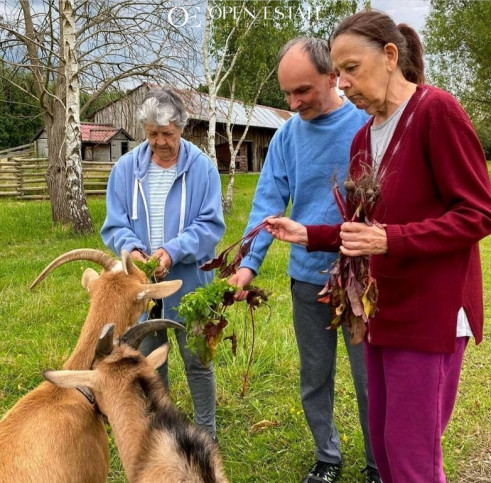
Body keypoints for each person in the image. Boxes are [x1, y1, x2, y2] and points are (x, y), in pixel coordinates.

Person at [265, 10, 491, 483]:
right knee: (387, 454)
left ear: (390, 56)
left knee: (412, 461)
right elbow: (363, 227)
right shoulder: (364, 136)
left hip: (430, 314)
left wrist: (393, 239)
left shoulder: (436, 112)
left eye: (351, 68)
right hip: (380, 311)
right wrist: (311, 234)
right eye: (339, 72)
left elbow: (477, 212)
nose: (343, 83)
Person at [228, 37, 380, 483]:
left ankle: (378, 464)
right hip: (307, 280)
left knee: (370, 381)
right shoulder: (287, 136)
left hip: (361, 280)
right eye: (287, 93)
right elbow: (267, 205)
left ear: (333, 76)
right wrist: (246, 264)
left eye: (304, 91)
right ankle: (327, 457)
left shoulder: (366, 124)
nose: (294, 103)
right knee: (315, 375)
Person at [101, 87, 225, 439]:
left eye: (167, 134)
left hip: (191, 285)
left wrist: (172, 251)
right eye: (152, 134)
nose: (160, 142)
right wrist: (135, 252)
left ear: (181, 129)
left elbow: (210, 225)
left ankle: (206, 435)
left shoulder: (201, 168)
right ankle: (165, 434)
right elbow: (115, 223)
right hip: (145, 288)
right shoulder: (126, 169)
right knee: (152, 364)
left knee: (198, 362)